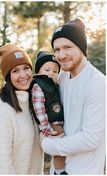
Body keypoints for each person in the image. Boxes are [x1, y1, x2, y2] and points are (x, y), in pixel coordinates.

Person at [41, 19, 106, 174]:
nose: (61, 55)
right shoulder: (61, 78)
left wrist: (47, 145)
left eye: (67, 47)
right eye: (56, 49)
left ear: (81, 48)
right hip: (56, 171)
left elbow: (90, 139)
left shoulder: (97, 83)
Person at [0, 44, 44, 174]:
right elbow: (2, 164)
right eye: (15, 71)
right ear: (8, 77)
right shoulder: (2, 110)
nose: (23, 75)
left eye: (26, 68)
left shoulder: (35, 103)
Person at [29, 51, 67, 175]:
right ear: (38, 71)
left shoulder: (54, 85)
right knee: (61, 147)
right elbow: (39, 109)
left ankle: (58, 170)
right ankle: (60, 171)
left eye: (55, 71)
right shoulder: (38, 86)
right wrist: (47, 129)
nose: (51, 73)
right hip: (50, 125)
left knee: (62, 148)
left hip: (57, 122)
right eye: (47, 69)